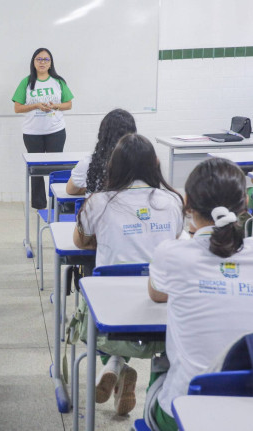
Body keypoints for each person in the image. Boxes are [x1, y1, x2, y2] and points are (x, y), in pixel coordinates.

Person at [73, 133, 184, 415]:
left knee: (89, 302)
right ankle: (122, 370)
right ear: (154, 164)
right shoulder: (173, 200)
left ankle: (114, 363)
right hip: (160, 304)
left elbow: (79, 243)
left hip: (112, 309)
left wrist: (111, 238)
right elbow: (176, 240)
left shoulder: (98, 202)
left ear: (115, 166)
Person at [147, 157, 253, 431]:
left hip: (185, 410)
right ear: (245, 204)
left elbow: (158, 295)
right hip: (247, 411)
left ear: (188, 205)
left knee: (160, 365)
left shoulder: (172, 254)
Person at [12, 47, 74, 209]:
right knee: (36, 169)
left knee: (57, 169)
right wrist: (36, 106)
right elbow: (17, 108)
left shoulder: (58, 81)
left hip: (56, 131)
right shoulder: (26, 82)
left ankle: (59, 203)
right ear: (33, 62)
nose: (42, 62)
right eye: (39, 59)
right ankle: (39, 204)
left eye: (46, 59)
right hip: (32, 133)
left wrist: (56, 106)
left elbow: (68, 104)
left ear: (50, 63)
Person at [66, 109, 137, 196]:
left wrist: (94, 188)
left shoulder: (89, 162)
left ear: (103, 133)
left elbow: (70, 190)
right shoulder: (141, 161)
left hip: (98, 208)